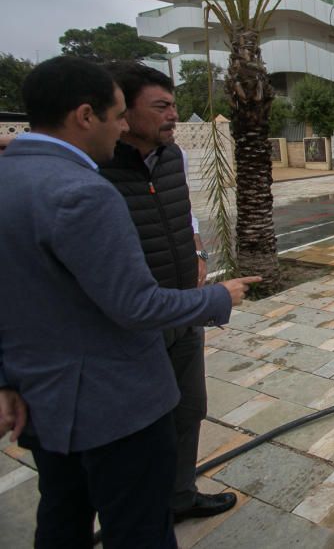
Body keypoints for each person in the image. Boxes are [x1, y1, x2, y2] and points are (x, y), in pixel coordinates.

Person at [0, 56, 260, 549]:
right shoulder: (86, 185)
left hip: (51, 394)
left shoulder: (15, 172)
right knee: (137, 526)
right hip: (116, 393)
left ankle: (181, 492)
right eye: (121, 113)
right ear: (84, 116)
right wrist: (216, 298)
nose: (121, 127)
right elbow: (133, 306)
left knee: (63, 511)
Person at [100, 62, 235, 522]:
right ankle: (142, 515)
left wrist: (198, 256)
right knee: (144, 428)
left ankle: (180, 496)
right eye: (161, 107)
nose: (173, 116)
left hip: (185, 309)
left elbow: (185, 215)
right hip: (138, 322)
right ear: (122, 110)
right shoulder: (95, 168)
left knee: (189, 410)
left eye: (174, 105)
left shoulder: (171, 155)